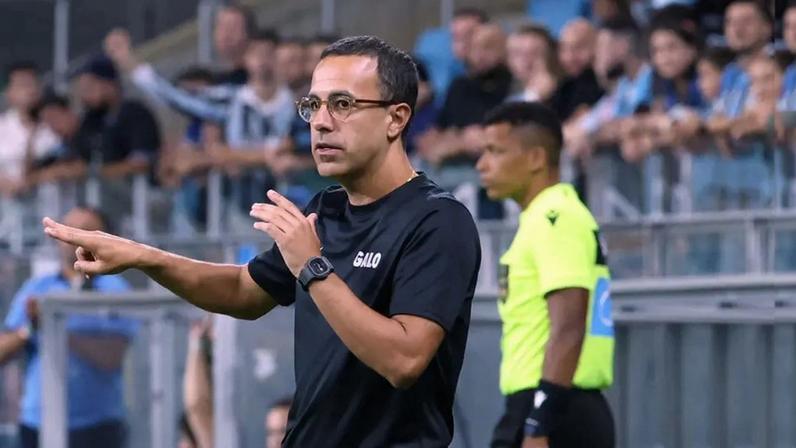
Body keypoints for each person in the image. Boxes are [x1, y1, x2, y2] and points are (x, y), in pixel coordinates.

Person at [43, 35, 481, 447]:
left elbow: (403, 361)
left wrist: (312, 268)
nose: (322, 123)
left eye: (343, 104)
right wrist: (144, 257)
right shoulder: (326, 210)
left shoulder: (438, 220)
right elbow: (241, 291)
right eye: (314, 105)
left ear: (396, 117)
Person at [476, 102, 615, 448]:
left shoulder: (557, 217)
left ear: (536, 158)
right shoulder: (544, 217)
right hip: (548, 405)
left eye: (495, 151)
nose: (482, 164)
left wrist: (539, 423)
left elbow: (569, 325)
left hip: (556, 411)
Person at [0, 207, 137, 448]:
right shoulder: (37, 288)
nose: (73, 237)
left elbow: (111, 358)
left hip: (98, 425)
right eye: (68, 228)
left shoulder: (116, 289)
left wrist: (56, 324)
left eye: (85, 229)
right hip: (37, 422)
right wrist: (30, 329)